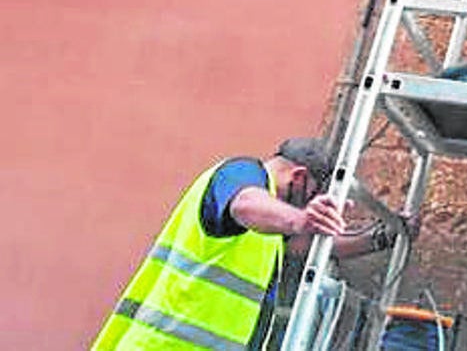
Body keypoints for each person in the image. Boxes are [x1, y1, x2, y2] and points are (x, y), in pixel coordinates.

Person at [92, 137, 416, 350]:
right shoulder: (240, 174)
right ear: (299, 177)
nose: (308, 208)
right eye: (314, 196)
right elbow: (245, 204)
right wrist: (299, 219)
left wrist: (381, 237)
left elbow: (308, 246)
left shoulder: (271, 227)